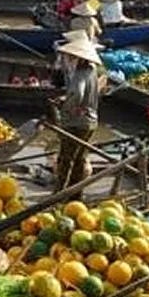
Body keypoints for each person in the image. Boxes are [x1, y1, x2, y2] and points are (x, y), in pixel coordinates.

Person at [54, 36, 101, 191]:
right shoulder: (92, 70)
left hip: (76, 123)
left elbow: (78, 94)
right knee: (80, 159)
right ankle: (75, 193)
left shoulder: (80, 73)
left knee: (65, 159)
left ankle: (59, 193)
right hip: (90, 122)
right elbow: (83, 93)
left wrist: (66, 106)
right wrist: (67, 98)